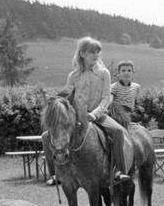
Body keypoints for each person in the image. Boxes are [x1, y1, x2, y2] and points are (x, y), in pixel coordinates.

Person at [45, 37, 131, 186]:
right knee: (46, 136)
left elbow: (106, 98)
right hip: (77, 118)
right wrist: (53, 99)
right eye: (92, 52)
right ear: (83, 53)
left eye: (98, 52)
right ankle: (54, 173)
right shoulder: (73, 76)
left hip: (98, 115)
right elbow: (65, 97)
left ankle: (119, 171)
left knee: (118, 132)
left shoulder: (104, 73)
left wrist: (95, 114)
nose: (96, 55)